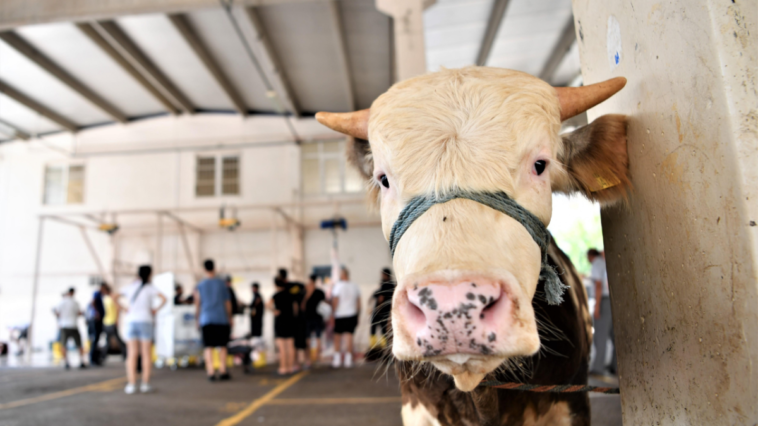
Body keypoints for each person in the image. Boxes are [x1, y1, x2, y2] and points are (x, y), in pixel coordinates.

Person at [117, 265, 167, 394]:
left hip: (131, 321)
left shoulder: (131, 286)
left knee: (132, 354)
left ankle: (131, 384)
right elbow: (164, 299)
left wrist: (124, 308)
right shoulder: (150, 288)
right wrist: (155, 310)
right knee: (146, 354)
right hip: (146, 321)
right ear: (150, 274)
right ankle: (145, 383)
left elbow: (114, 296)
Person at [195, 259, 232, 382]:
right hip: (221, 318)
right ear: (214, 268)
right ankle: (222, 370)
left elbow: (197, 303)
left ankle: (210, 371)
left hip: (206, 319)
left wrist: (197, 319)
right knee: (223, 345)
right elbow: (227, 302)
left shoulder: (199, 285)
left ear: (204, 269)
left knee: (208, 346)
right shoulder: (222, 284)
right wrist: (230, 317)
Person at [330, 248, 361, 368]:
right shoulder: (355, 286)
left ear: (343, 275)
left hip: (340, 314)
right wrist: (357, 314)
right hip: (352, 314)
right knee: (349, 336)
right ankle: (348, 359)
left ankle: (337, 359)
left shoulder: (338, 286)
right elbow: (359, 302)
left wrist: (333, 313)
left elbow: (335, 300)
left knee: (337, 337)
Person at [587, 248, 616, 375]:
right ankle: (615, 366)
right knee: (614, 336)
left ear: (590, 256)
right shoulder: (606, 262)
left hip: (604, 300)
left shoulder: (597, 263)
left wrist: (597, 306)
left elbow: (598, 284)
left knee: (600, 336)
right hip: (613, 300)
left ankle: (598, 368)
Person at [267, 277, 297, 375]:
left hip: (280, 322)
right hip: (290, 321)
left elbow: (267, 305)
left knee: (282, 347)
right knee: (290, 346)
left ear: (275, 285)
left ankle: (283, 367)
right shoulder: (290, 295)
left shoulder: (276, 295)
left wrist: (274, 311)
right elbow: (295, 307)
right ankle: (291, 367)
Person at [279, 268, 307, 370]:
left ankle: (294, 363)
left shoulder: (284, 289)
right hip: (296, 318)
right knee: (298, 342)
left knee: (292, 343)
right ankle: (298, 362)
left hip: (291, 320)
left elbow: (294, 304)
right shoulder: (295, 286)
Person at [54, 288, 87, 370]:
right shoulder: (75, 302)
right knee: (79, 344)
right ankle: (81, 361)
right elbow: (79, 313)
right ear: (73, 293)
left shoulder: (61, 302)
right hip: (73, 325)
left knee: (63, 345)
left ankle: (66, 362)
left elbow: (57, 313)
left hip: (64, 326)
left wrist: (61, 319)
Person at [302, 274, 326, 367]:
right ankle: (316, 358)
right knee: (317, 338)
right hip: (314, 318)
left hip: (312, 318)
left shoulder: (315, 292)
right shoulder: (319, 292)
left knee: (314, 338)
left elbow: (303, 306)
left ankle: (312, 358)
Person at [370, 268, 395, 348]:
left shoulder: (385, 285)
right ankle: (385, 347)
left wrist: (377, 307)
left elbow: (381, 297)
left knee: (374, 327)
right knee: (384, 329)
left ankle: (373, 347)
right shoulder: (393, 285)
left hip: (380, 310)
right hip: (388, 311)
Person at [101, 283, 126, 361]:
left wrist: (117, 320)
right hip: (106, 321)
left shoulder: (112, 297)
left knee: (118, 339)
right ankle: (103, 356)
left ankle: (126, 354)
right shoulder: (105, 298)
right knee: (108, 340)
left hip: (112, 321)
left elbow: (118, 308)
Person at [87, 283, 106, 366]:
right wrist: (97, 313)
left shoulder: (100, 296)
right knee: (95, 339)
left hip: (98, 320)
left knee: (97, 339)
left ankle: (95, 358)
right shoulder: (97, 294)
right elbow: (93, 302)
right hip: (96, 320)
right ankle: (93, 359)